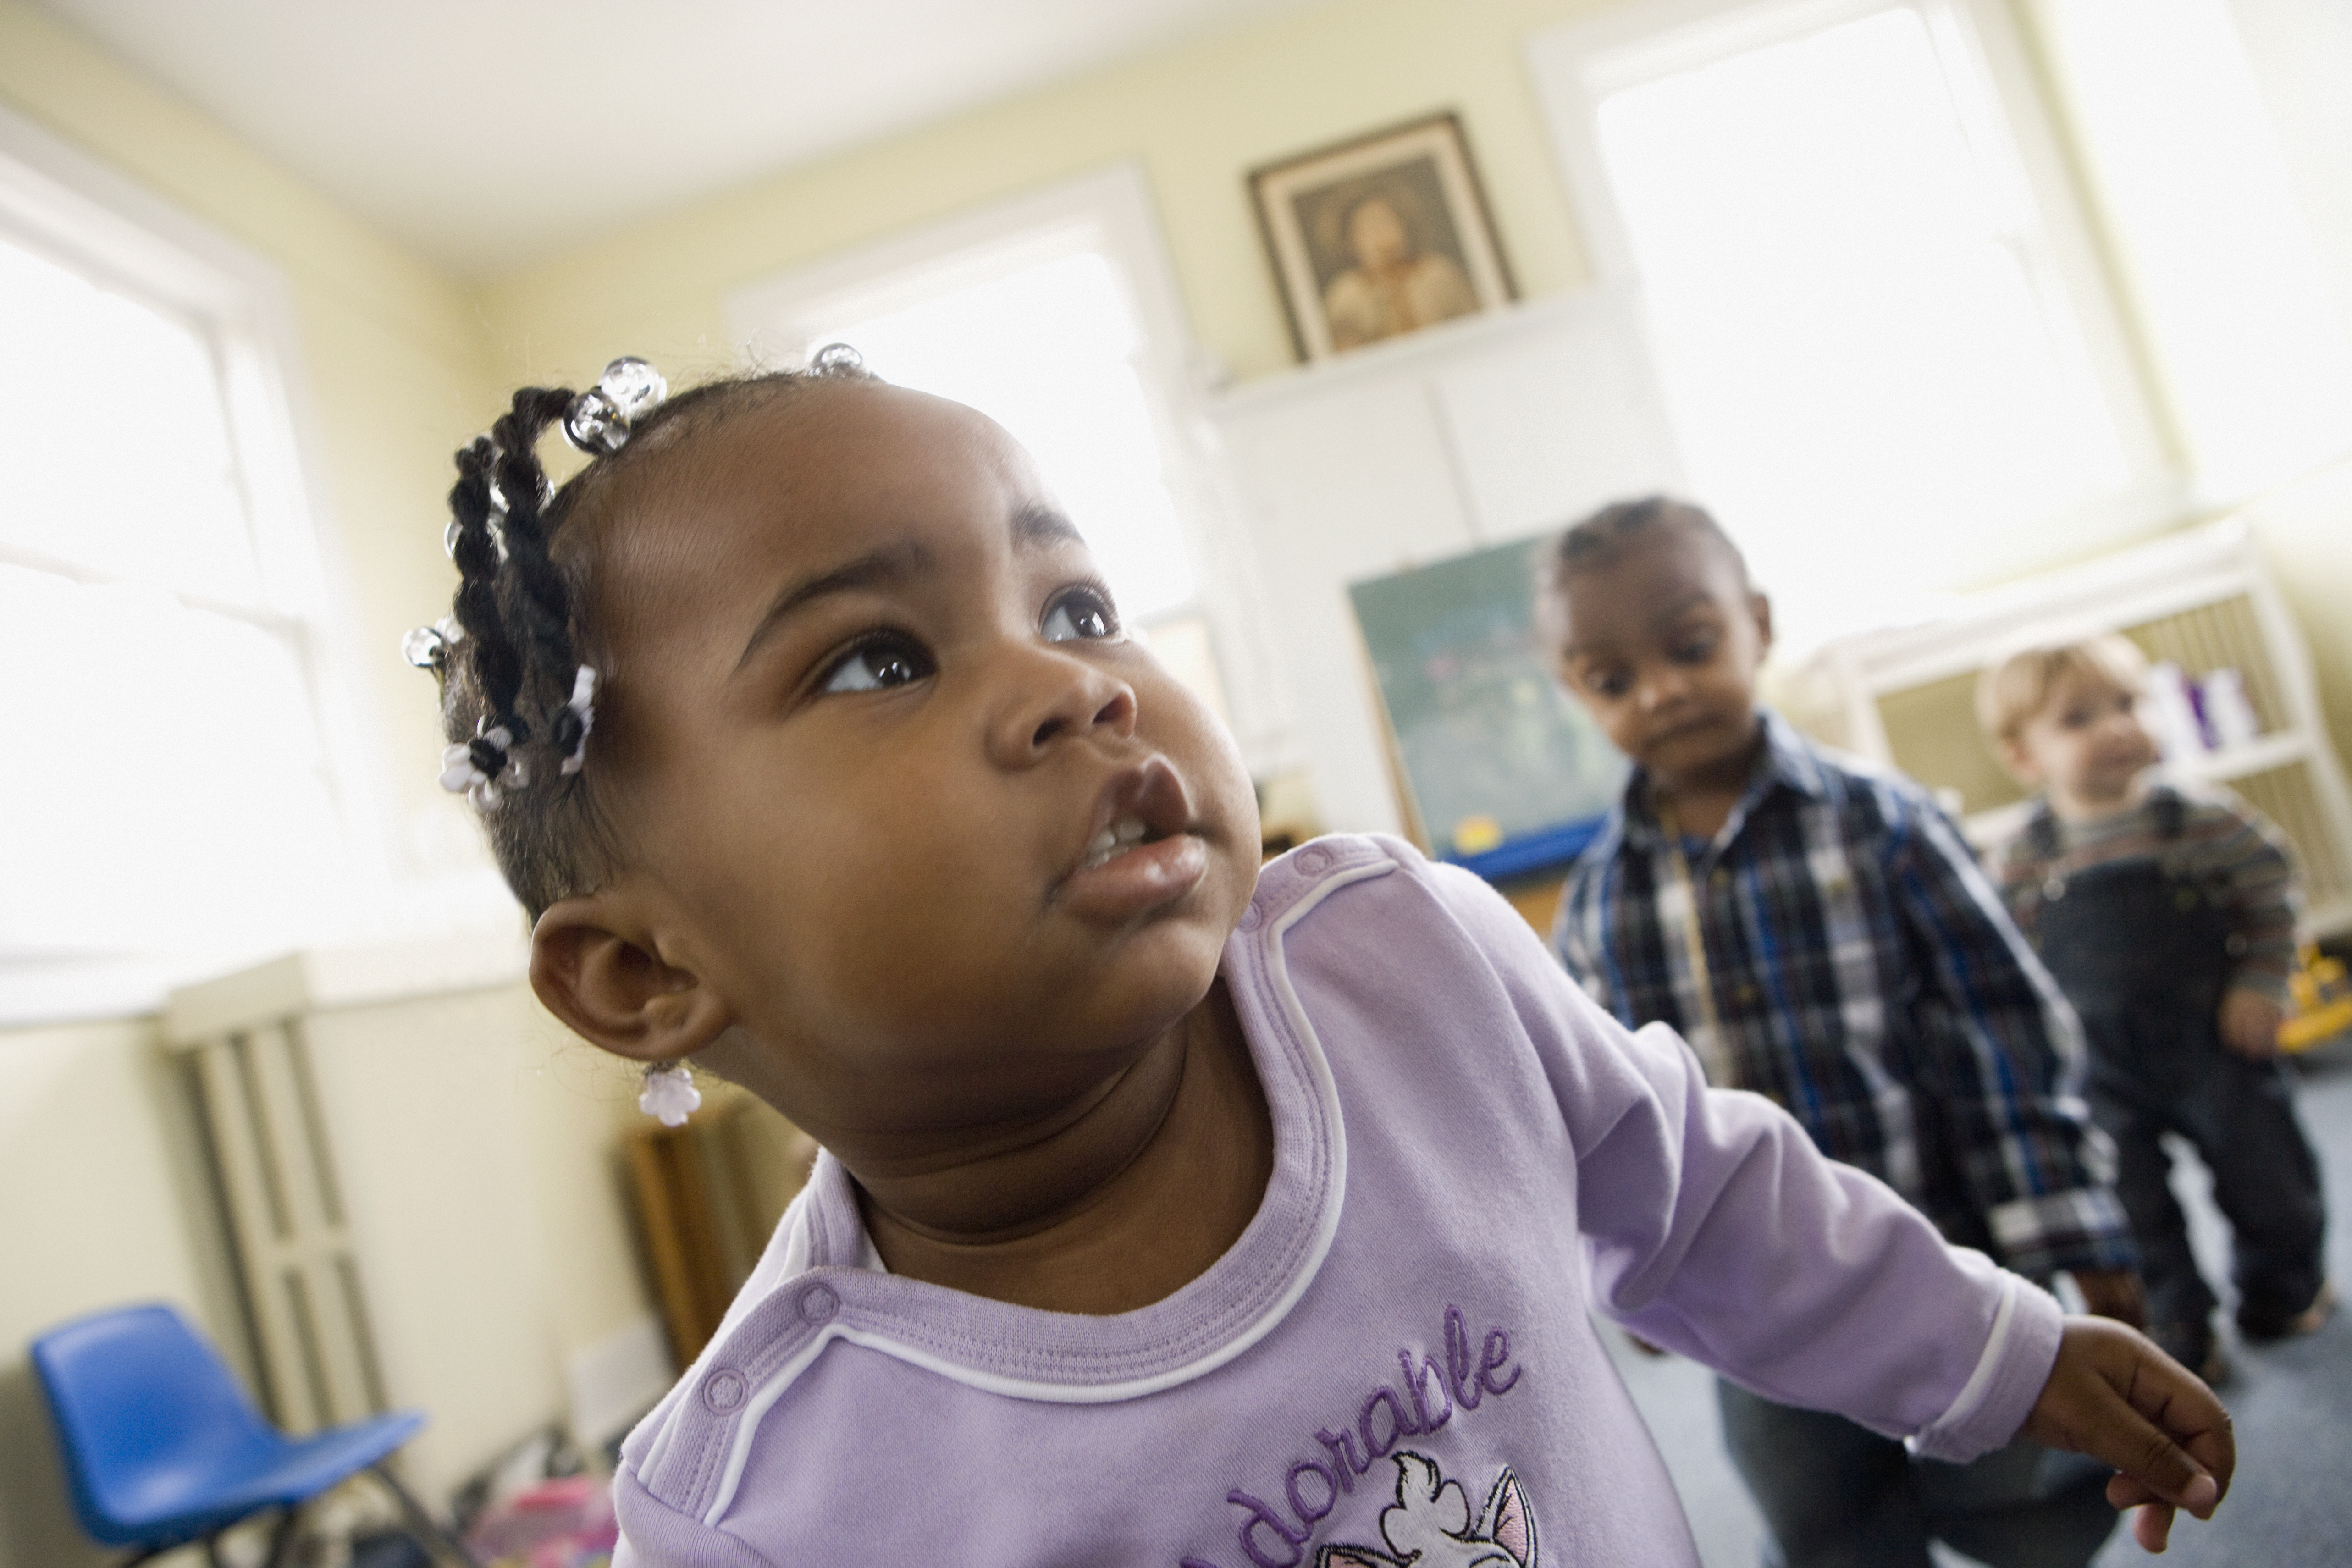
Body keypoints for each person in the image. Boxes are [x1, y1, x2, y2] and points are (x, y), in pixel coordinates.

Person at [410, 367, 2228, 1567]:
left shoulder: (1398, 964)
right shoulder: (767, 1504)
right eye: (881, 659)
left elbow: (1700, 1200)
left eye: (1075, 607)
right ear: (648, 975)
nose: (1077, 683)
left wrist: (1994, 1350)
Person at [1544, 497, 2156, 1568]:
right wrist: (1632, 1264)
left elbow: (2000, 1033)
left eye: (1690, 645)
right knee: (1823, 1527)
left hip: (1950, 1255)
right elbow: (1603, 1114)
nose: (1660, 688)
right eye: (1611, 678)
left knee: (2029, 1498)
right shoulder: (1598, 900)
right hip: (1754, 1304)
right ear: (1574, 691)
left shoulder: (1885, 821)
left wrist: (2070, 1229)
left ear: (1757, 624)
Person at [1977, 630, 2333, 1383]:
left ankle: (2284, 1287)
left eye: (2130, 703)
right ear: (2023, 756)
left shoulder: (2206, 823)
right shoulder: (2022, 858)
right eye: (2079, 719)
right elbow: (2005, 959)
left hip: (2213, 1038)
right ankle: (2178, 1319)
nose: (2117, 726)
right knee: (2129, 1203)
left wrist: (2262, 983)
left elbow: (2274, 897)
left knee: (2268, 1175)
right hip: (2097, 1060)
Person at [1320, 190, 1478, 351]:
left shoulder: (1439, 273)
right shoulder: (1346, 294)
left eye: (1386, 223)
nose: (1380, 235)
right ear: (1350, 242)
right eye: (1367, 229)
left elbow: (1475, 330)